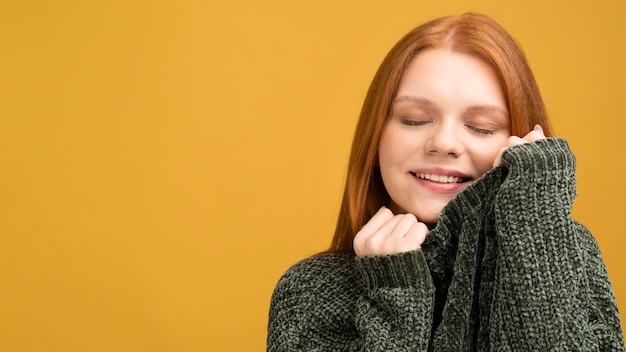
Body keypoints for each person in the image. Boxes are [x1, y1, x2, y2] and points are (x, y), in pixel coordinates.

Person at [267, 12, 625, 351]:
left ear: (519, 140)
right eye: (414, 119)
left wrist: (532, 224)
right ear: (375, 135)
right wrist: (394, 292)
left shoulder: (570, 256)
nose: (444, 143)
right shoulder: (310, 289)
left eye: (481, 127)